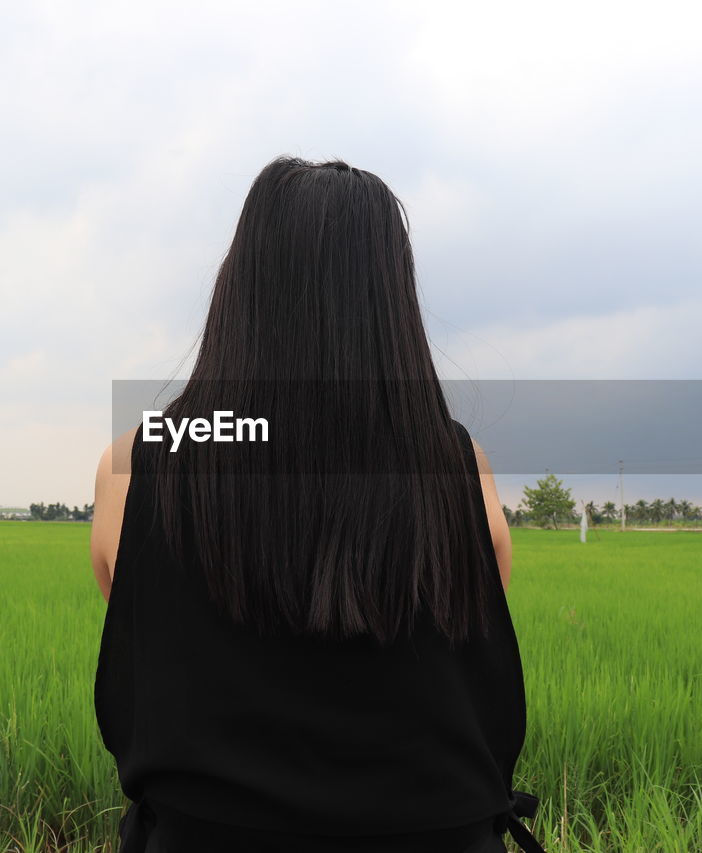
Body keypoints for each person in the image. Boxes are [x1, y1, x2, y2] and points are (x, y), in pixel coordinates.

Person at [90, 156, 544, 853]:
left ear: (238, 288)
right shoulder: (460, 468)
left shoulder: (140, 460)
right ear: (392, 304)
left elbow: (150, 630)